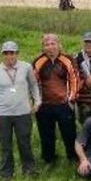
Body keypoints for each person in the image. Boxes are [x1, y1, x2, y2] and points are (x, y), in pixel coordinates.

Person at [0, 41, 40, 181]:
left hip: (23, 113)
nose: (9, 56)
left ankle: (30, 171)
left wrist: (37, 102)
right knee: (5, 145)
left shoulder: (26, 67)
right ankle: (6, 174)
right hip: (2, 114)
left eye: (12, 53)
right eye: (6, 53)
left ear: (17, 53)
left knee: (25, 143)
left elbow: (34, 85)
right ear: (2, 54)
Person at [32, 33, 79, 165]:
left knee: (69, 134)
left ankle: (73, 158)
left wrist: (71, 99)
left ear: (59, 45)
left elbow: (74, 79)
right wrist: (36, 102)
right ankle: (49, 160)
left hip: (64, 104)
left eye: (53, 44)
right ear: (43, 47)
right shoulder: (38, 61)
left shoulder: (68, 59)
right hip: (44, 105)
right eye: (47, 44)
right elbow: (33, 83)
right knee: (46, 135)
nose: (50, 47)